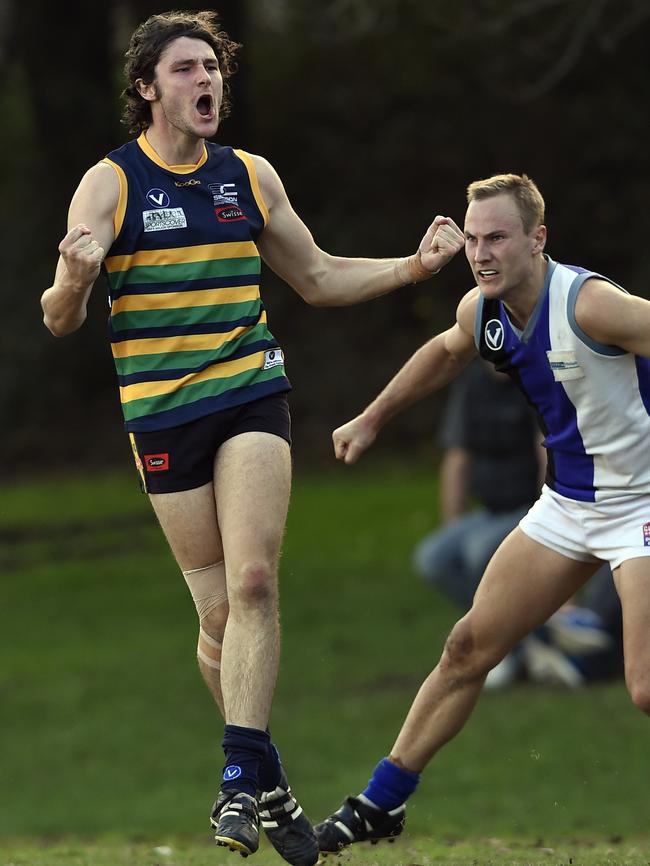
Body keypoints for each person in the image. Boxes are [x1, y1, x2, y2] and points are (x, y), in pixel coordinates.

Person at [39, 10, 461, 864]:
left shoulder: (249, 176)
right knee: (221, 615)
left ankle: (235, 779)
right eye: (187, 70)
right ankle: (265, 774)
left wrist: (413, 268)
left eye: (213, 69)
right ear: (148, 89)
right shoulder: (112, 184)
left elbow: (315, 276)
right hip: (160, 418)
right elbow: (58, 317)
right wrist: (77, 282)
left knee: (258, 580)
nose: (206, 82)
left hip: (249, 392)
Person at [315, 173, 650, 852]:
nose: (480, 252)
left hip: (641, 502)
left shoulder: (590, 305)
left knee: (644, 688)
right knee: (467, 646)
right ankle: (381, 804)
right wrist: (372, 418)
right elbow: (443, 353)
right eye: (472, 239)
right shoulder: (484, 313)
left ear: (537, 239)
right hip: (567, 507)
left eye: (496, 237)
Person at [414, 359, 622, 688]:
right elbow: (458, 457)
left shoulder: (530, 376)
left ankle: (502, 644)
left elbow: (549, 449)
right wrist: (453, 524)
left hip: (533, 507)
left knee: (478, 551)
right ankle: (521, 638)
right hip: (490, 512)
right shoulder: (471, 386)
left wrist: (555, 516)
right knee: (435, 557)